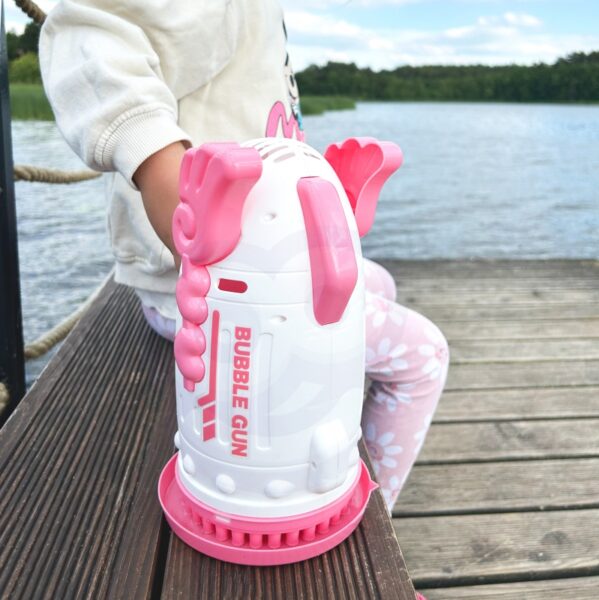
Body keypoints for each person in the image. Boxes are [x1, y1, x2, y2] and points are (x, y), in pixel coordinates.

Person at [39, 0, 449, 513]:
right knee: (424, 357)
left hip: (272, 273)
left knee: (379, 282)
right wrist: (179, 200)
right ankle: (370, 514)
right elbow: (91, 37)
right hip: (214, 296)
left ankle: (314, 410)